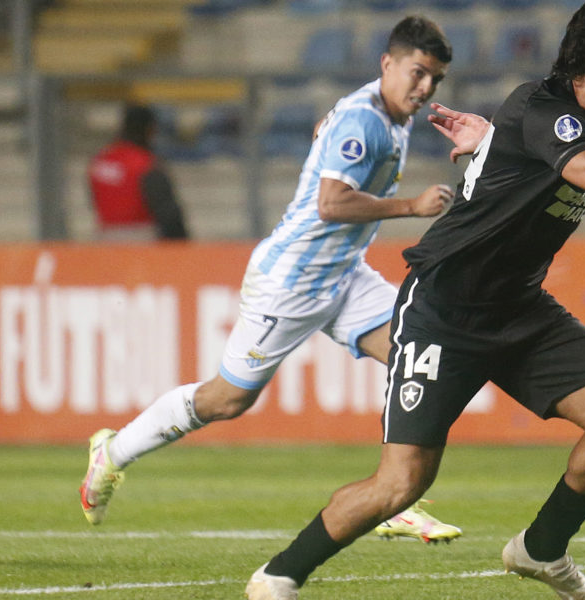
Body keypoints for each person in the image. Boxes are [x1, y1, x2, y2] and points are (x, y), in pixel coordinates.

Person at [245, 1, 585, 598]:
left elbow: (530, 165)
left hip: (518, 307)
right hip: (444, 309)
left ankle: (540, 550)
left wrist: (493, 143)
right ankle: (280, 576)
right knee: (401, 484)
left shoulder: (583, 120)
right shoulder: (547, 110)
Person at [80, 15, 486, 544]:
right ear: (388, 64)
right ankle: (113, 452)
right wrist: (411, 205)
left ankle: (389, 497)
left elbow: (333, 131)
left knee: (423, 354)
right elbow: (331, 202)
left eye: (435, 78)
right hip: (292, 282)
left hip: (343, 275)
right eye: (418, 72)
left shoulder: (385, 108)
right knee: (227, 400)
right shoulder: (364, 119)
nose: (426, 87)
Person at [87, 104, 189, 241]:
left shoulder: (100, 160)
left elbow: (93, 199)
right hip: (140, 241)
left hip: (104, 240)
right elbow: (169, 216)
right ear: (150, 130)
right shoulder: (145, 165)